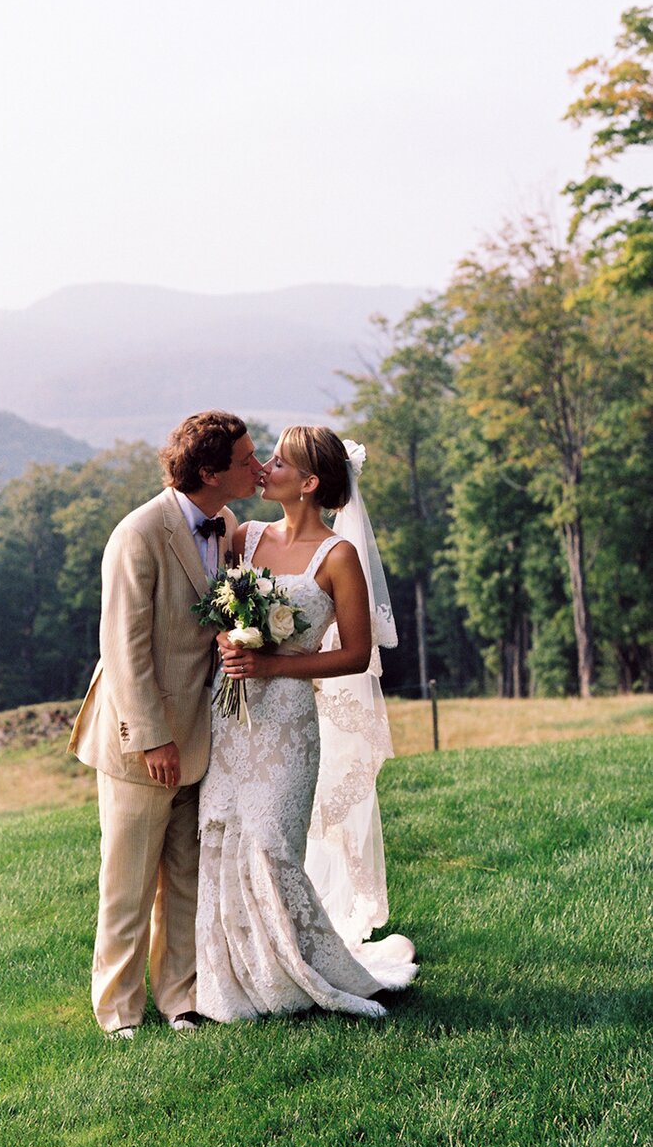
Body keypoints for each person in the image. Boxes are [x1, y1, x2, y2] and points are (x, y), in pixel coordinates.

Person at [196, 426, 417, 1022]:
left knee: (272, 845)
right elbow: (215, 607)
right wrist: (228, 639)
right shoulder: (246, 536)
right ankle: (236, 982)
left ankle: (303, 974)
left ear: (311, 483)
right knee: (222, 838)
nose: (264, 468)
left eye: (279, 462)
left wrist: (271, 662)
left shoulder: (338, 557)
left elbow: (355, 654)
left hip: (289, 722)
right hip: (232, 713)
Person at [68, 410, 264, 1038]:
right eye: (245, 461)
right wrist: (153, 738)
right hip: (141, 740)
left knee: (185, 877)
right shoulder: (138, 535)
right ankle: (119, 1012)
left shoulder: (227, 524)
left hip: (203, 732)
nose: (256, 468)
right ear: (209, 472)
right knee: (127, 886)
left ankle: (181, 998)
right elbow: (124, 649)